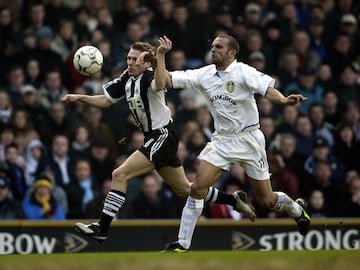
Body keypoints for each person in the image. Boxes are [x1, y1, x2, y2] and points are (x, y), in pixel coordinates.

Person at [62, 37, 255, 243]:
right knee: (186, 190)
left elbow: (161, 83)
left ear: (146, 63)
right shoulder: (127, 78)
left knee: (120, 174)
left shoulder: (149, 77)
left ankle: (102, 228)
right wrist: (79, 98)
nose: (131, 62)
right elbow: (106, 100)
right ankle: (233, 200)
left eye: (136, 59)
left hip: (162, 136)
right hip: (156, 138)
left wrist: (160, 56)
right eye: (129, 58)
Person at [152, 35, 311, 251]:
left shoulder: (244, 72)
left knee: (266, 200)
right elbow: (165, 80)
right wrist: (160, 56)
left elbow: (267, 90)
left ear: (232, 53)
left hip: (249, 140)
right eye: (212, 46)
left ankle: (297, 211)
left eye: (219, 47)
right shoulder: (204, 74)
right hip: (222, 140)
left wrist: (283, 100)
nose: (213, 49)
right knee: (198, 188)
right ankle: (182, 244)